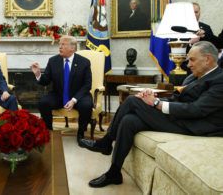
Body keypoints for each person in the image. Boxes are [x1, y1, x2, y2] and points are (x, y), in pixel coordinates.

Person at [79, 41, 223, 188]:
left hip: (196, 126)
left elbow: (196, 110)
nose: (189, 64)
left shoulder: (219, 80)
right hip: (181, 117)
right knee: (129, 121)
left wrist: (156, 104)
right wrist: (153, 98)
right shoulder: (193, 76)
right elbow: (176, 98)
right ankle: (114, 172)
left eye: (192, 59)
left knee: (132, 101)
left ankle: (106, 142)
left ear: (208, 59)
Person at [30, 35, 93, 142]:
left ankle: (81, 133)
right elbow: (46, 81)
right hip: (59, 95)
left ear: (72, 48)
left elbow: (87, 85)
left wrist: (74, 100)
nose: (59, 47)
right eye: (59, 44)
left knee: (86, 105)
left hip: (78, 96)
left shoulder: (84, 62)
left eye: (63, 44)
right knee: (43, 102)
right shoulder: (53, 61)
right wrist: (38, 74)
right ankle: (48, 131)